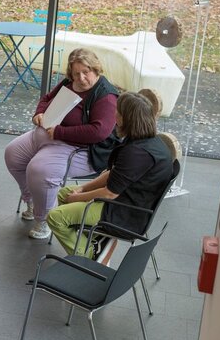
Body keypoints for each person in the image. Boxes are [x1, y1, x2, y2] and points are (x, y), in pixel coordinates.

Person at [4, 48, 119, 241]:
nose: (81, 78)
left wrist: (60, 132)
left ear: (95, 69)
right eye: (76, 73)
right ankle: (32, 199)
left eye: (86, 72)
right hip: (47, 136)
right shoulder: (69, 83)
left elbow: (98, 132)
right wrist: (39, 113)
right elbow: (47, 99)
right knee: (12, 154)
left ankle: (44, 219)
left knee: (40, 170)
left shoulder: (106, 96)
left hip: (79, 148)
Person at [47, 91, 175, 257]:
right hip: (129, 201)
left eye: (118, 112)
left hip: (123, 213)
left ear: (126, 119)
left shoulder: (136, 153)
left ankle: (90, 256)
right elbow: (114, 174)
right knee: (65, 193)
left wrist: (77, 198)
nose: (114, 115)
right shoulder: (149, 141)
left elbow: (109, 193)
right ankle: (93, 239)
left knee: (55, 217)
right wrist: (83, 189)